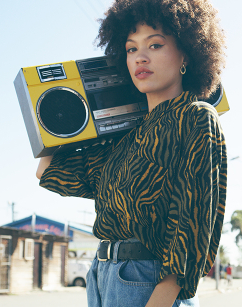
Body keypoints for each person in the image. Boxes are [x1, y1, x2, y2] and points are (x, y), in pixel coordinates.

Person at [36, 0, 227, 306]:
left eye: (155, 45)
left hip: (148, 282)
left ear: (186, 54)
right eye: (130, 49)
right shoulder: (124, 139)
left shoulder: (195, 117)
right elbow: (49, 172)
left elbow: (192, 228)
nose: (140, 57)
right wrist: (66, 113)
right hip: (102, 277)